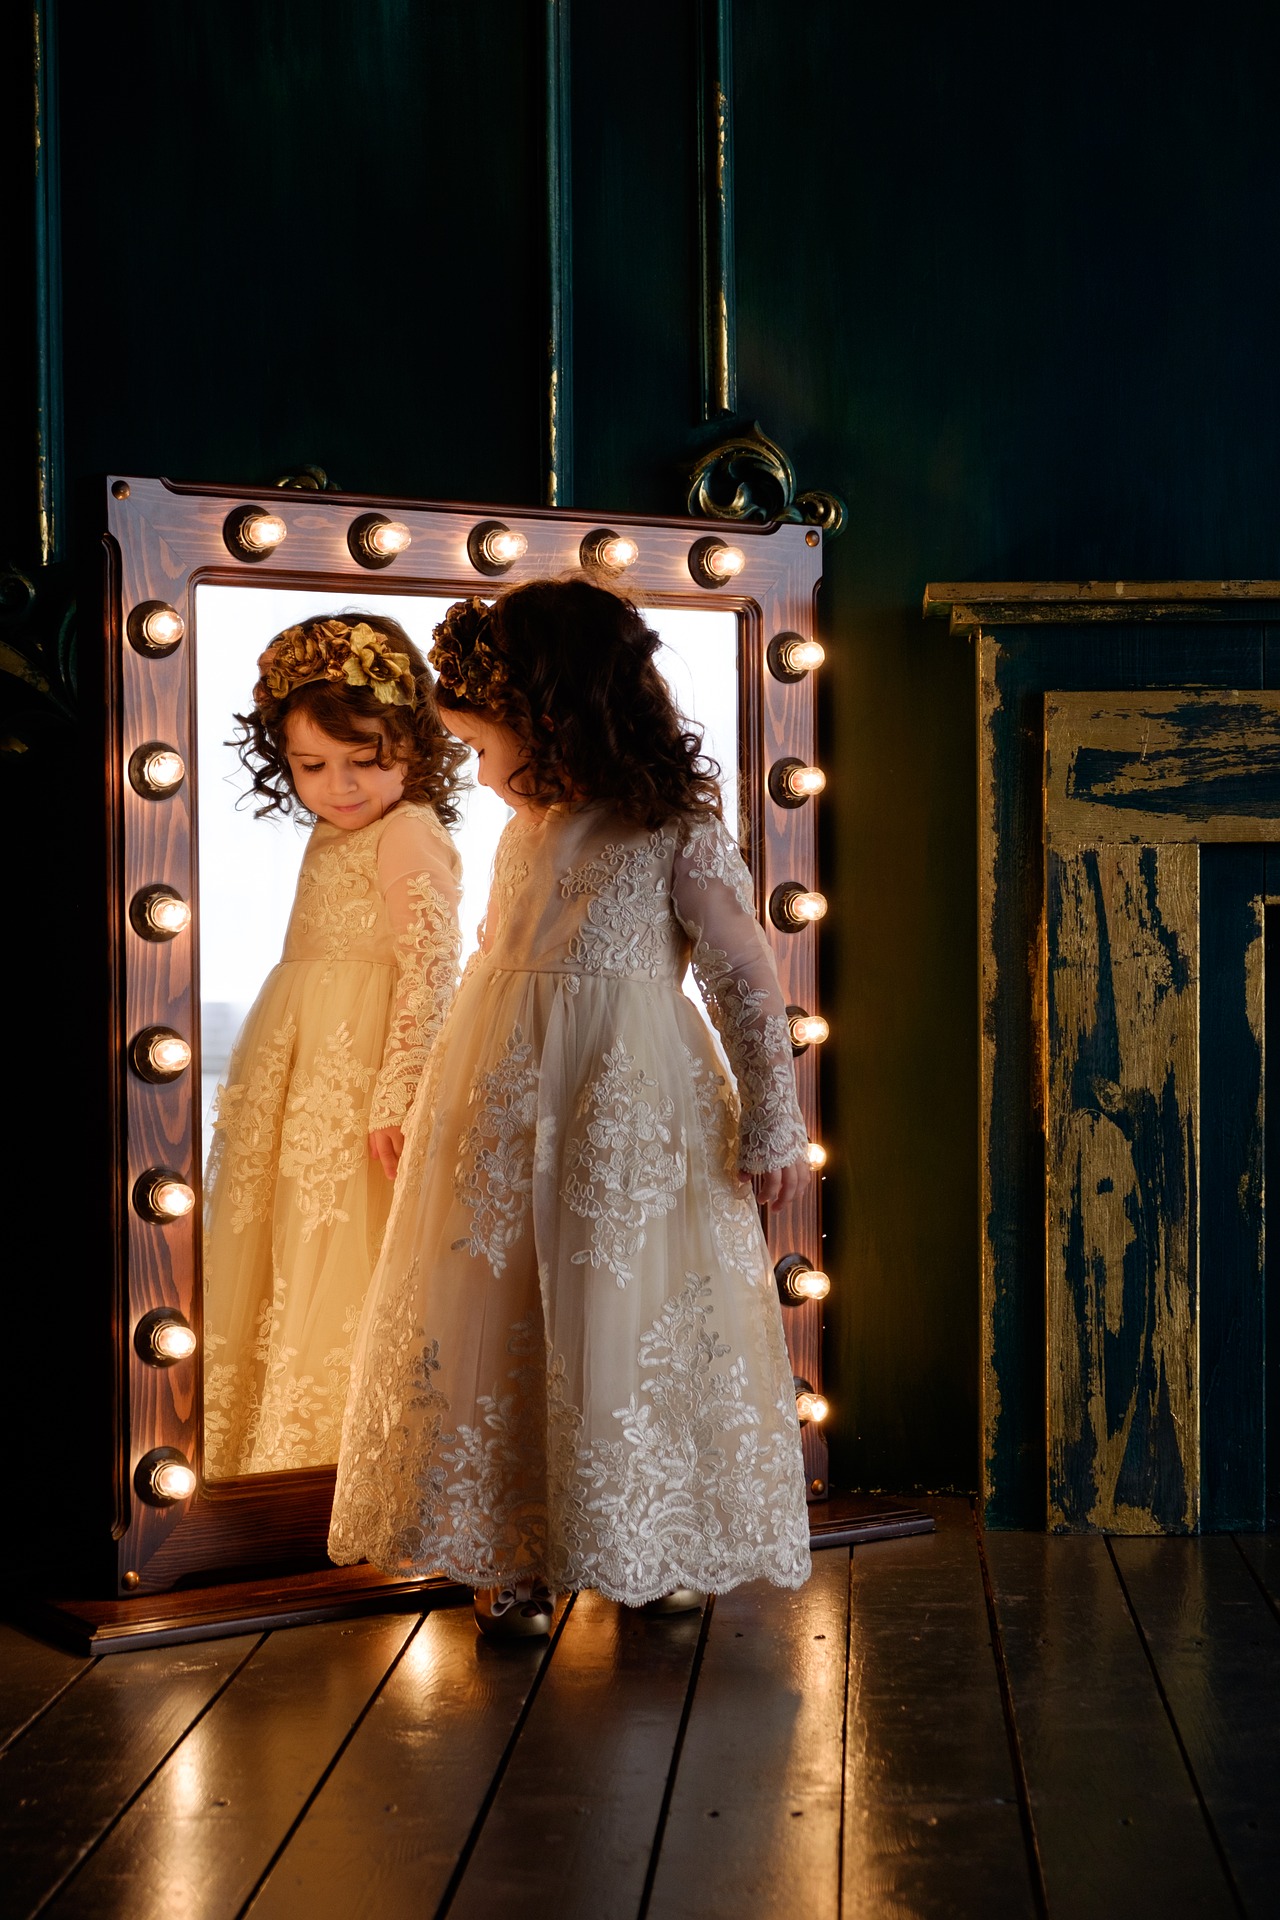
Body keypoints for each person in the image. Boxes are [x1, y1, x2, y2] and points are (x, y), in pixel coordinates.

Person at [328, 578, 812, 1633]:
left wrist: (776, 1118)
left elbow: (741, 975)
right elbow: (488, 960)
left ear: (549, 718)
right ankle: (517, 1545)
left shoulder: (671, 829)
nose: (478, 764)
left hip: (624, 1105)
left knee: (628, 1310)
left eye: (483, 739)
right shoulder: (521, 829)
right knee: (501, 1308)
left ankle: (647, 1534)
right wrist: (420, 1086)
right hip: (500, 1096)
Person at [203, 612, 466, 1478]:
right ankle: (279, 1455)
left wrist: (398, 1096)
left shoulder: (409, 831)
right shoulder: (334, 832)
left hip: (361, 1076)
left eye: (365, 760)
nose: (339, 786)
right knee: (288, 1243)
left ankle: (367, 1461)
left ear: (414, 747)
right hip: (304, 1057)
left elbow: (431, 973)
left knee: (351, 1250)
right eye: (311, 766)